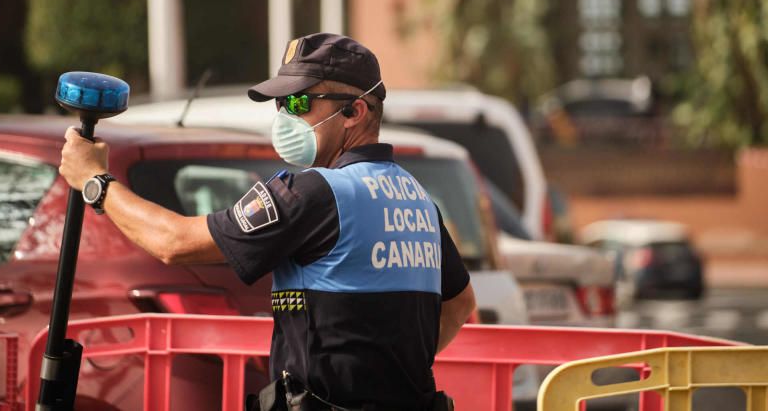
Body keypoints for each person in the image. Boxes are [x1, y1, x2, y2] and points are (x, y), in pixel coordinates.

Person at [59, 33, 477, 411]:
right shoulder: (419, 200)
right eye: (281, 103)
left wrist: (96, 182)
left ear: (354, 111)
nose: (285, 116)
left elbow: (174, 242)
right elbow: (459, 304)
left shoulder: (314, 193)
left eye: (299, 103)